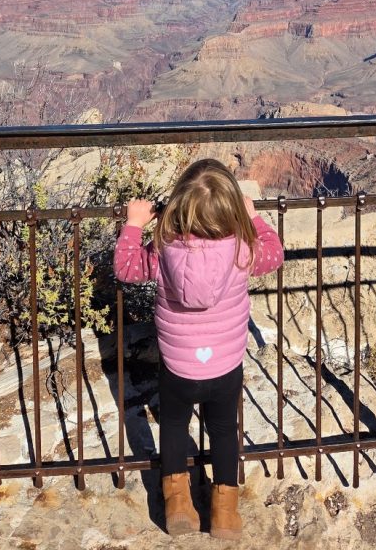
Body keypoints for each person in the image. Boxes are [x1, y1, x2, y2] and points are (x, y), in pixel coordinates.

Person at [113, 158, 284, 540]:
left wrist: (135, 224)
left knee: (174, 426)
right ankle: (224, 512)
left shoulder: (162, 250)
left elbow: (125, 268)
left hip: (178, 366)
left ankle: (178, 505)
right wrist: (254, 218)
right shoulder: (243, 250)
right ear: (232, 211)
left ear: (177, 207)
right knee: (224, 431)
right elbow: (275, 252)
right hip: (225, 367)